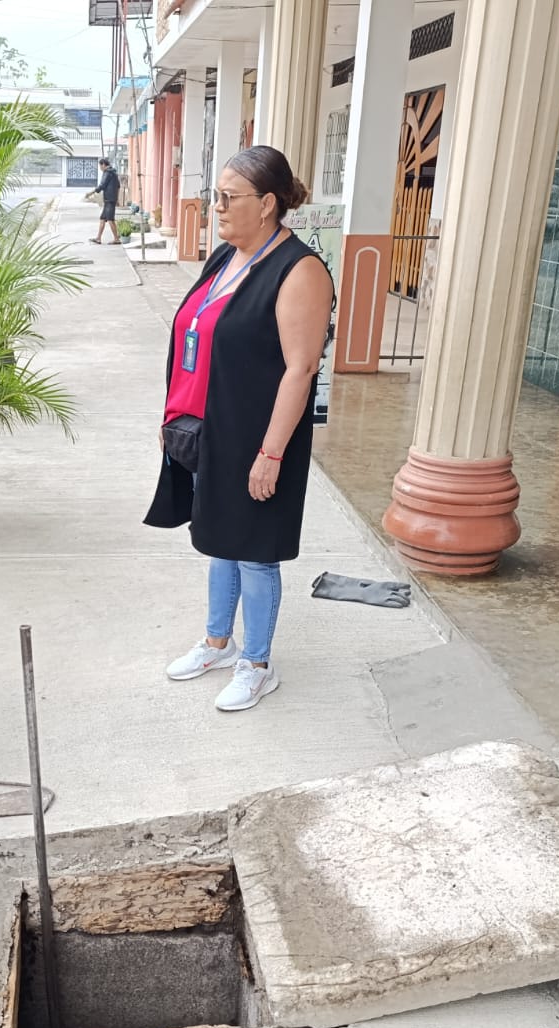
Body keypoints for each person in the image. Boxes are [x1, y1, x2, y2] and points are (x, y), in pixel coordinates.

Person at [144, 145, 334, 712]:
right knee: (219, 538)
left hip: (259, 436)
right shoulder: (226, 257)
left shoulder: (299, 270)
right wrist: (174, 415)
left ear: (268, 203)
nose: (217, 207)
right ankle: (217, 643)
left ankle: (257, 663)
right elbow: (196, 339)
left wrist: (271, 454)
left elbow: (301, 368)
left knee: (254, 551)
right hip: (211, 429)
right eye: (216, 196)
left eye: (229, 197)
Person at [89, 157, 121, 245]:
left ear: (103, 164)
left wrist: (93, 191)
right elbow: (118, 186)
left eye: (100, 166)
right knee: (102, 218)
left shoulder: (107, 173)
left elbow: (102, 185)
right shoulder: (114, 173)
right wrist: (117, 198)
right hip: (110, 199)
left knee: (110, 219)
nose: (100, 168)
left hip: (109, 200)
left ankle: (116, 239)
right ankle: (98, 238)